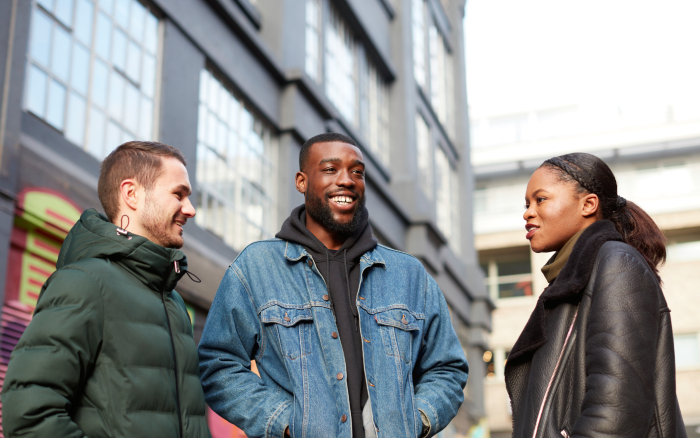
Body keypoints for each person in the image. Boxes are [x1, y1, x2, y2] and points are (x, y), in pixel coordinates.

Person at [198, 133, 468, 438]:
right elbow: (218, 364)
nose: (347, 180)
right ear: (302, 181)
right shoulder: (256, 268)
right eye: (330, 170)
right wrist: (285, 422)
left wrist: (415, 420)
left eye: (357, 172)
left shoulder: (409, 275)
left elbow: (447, 368)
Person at [2, 141, 211, 438]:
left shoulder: (174, 302)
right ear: (131, 194)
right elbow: (28, 415)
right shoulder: (84, 283)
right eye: (179, 194)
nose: (189, 210)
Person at [506, 152, 686, 438]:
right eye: (526, 204)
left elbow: (617, 407)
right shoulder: (569, 281)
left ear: (588, 204)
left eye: (541, 199)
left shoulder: (616, 264)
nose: (528, 212)